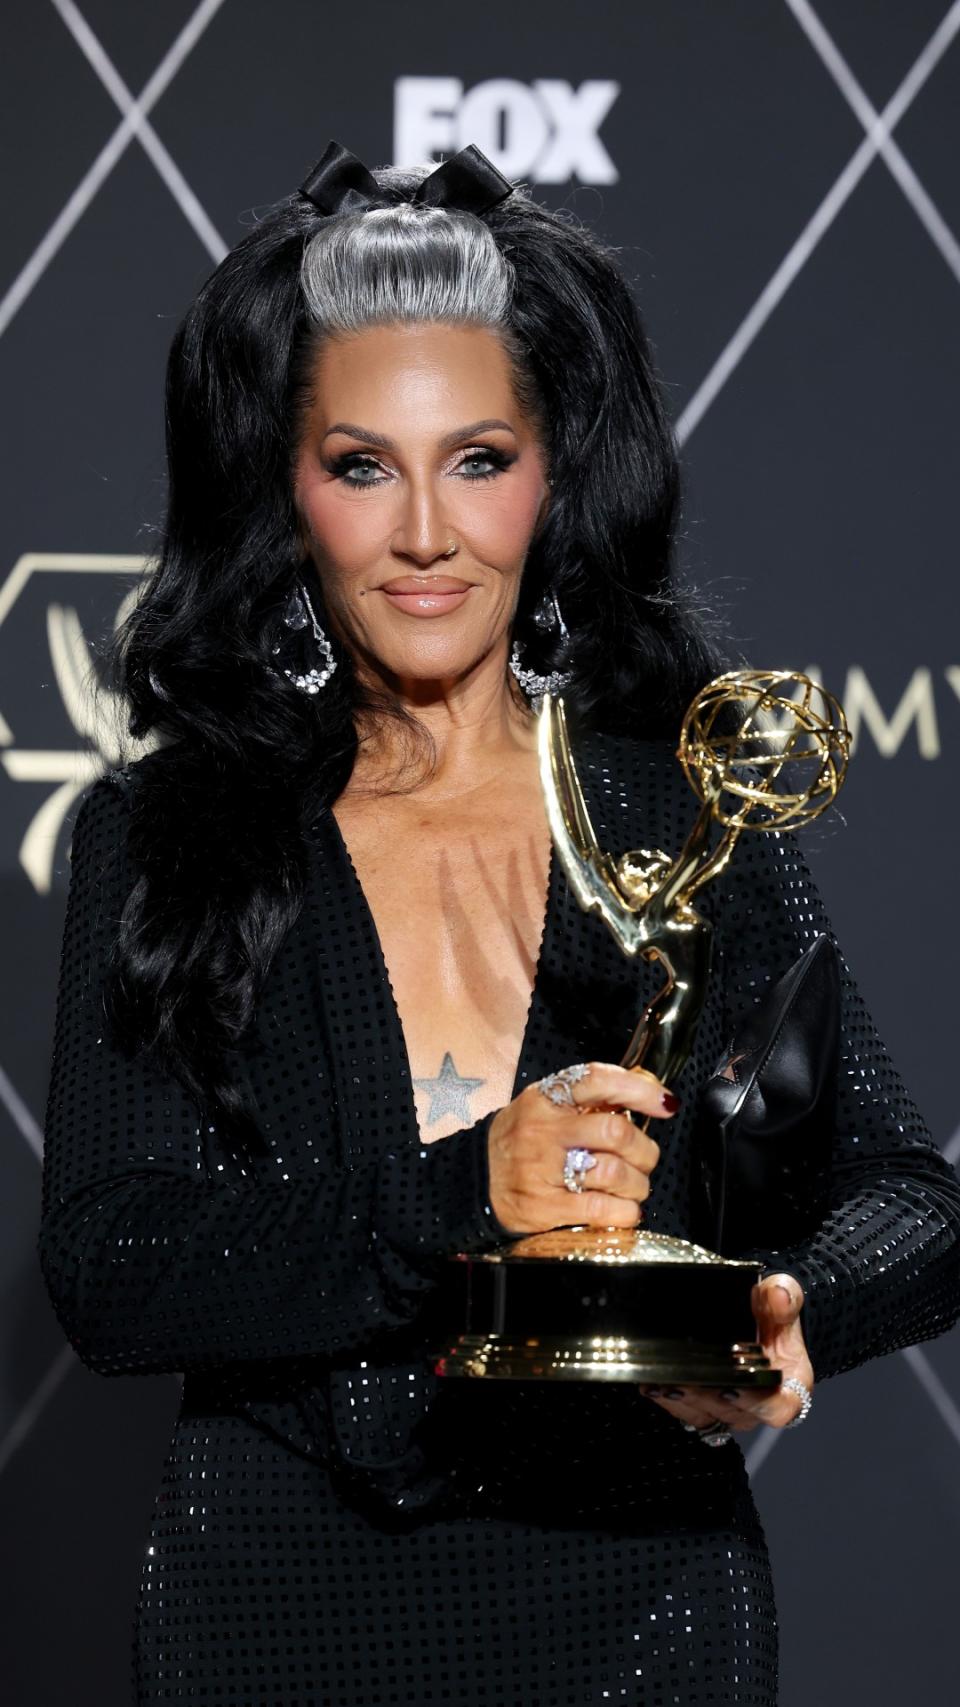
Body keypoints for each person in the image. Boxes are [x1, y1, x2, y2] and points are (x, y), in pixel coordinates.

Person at [37, 139, 960, 1706]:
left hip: (639, 1602)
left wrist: (791, 1311)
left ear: (554, 473)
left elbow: (909, 1198)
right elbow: (113, 1268)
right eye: (358, 465)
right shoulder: (174, 834)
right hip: (274, 1609)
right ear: (287, 485)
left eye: (477, 459)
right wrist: (471, 1196)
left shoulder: (681, 809)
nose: (423, 536)